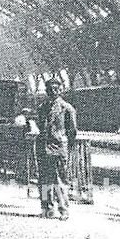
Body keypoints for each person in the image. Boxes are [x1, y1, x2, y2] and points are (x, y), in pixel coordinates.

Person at [36, 79, 77, 221]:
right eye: (50, 89)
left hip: (59, 147)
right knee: (44, 179)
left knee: (60, 179)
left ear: (60, 90)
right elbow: (41, 126)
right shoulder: (42, 108)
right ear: (46, 91)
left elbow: (72, 131)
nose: (53, 91)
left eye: (55, 89)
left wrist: (66, 146)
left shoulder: (67, 108)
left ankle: (63, 209)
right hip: (43, 147)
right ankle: (47, 208)